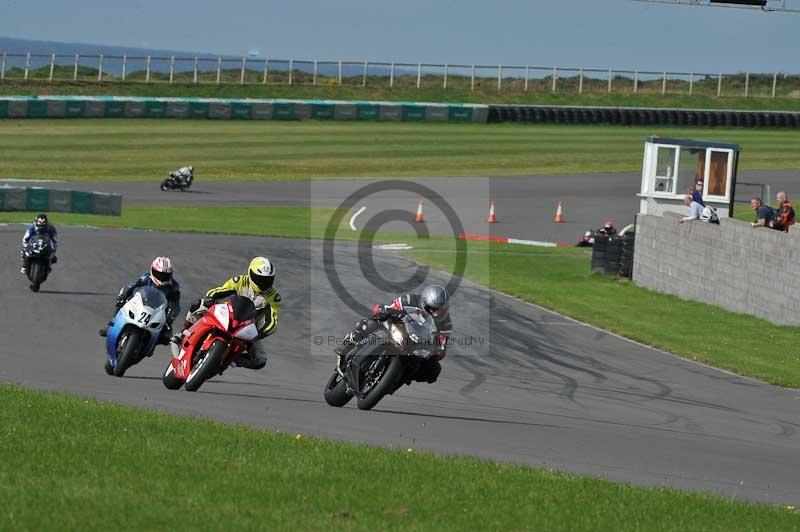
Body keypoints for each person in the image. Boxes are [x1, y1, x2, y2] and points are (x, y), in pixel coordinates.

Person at [176, 257, 281, 370]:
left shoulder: (274, 297)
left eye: (267, 280)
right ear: (251, 273)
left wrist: (260, 333)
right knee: (199, 304)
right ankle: (183, 332)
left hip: (248, 329)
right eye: (260, 279)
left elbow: (272, 322)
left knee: (260, 360)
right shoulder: (240, 281)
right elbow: (219, 290)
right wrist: (210, 297)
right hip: (228, 316)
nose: (263, 283)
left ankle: (230, 359)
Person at [334, 285, 452, 384]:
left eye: (441, 309)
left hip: (416, 344)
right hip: (398, 327)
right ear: (425, 302)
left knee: (433, 370)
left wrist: (437, 351)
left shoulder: (446, 322)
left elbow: (442, 344)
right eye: (433, 309)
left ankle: (397, 379)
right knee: (369, 323)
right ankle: (347, 345)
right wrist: (383, 311)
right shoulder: (410, 300)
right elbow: (389, 307)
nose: (437, 313)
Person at [99, 257, 181, 345]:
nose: (162, 277)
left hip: (158, 311)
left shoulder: (173, 287)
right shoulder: (146, 278)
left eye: (165, 275)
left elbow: (176, 304)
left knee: (166, 337)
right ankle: (112, 324)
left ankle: (151, 343)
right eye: (159, 274)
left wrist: (170, 316)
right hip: (141, 303)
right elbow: (132, 287)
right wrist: (123, 296)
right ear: (152, 270)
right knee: (121, 301)